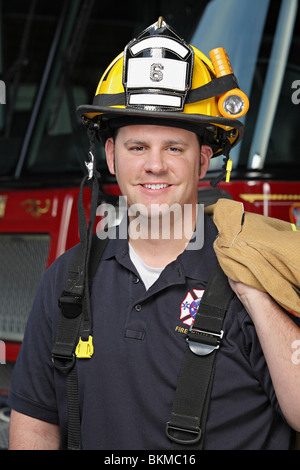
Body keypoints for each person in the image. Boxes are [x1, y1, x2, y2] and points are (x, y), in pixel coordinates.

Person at [8, 18, 300, 450]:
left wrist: (252, 287)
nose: (155, 166)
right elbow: (34, 425)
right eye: (138, 147)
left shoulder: (257, 270)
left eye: (174, 148)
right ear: (110, 156)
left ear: (203, 162)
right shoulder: (67, 280)